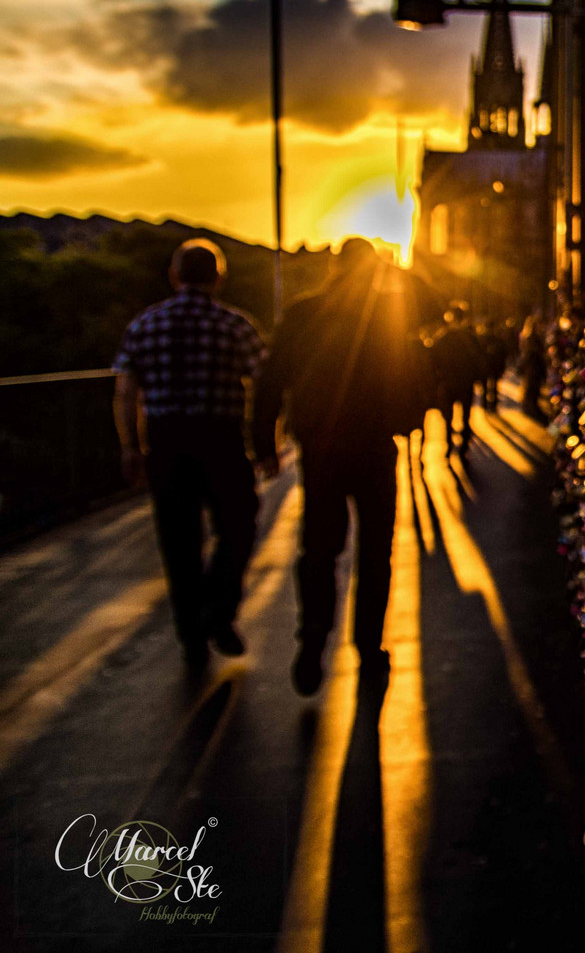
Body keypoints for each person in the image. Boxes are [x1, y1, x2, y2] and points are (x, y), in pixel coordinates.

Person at [251, 239, 434, 694]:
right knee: (376, 550)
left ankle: (313, 639)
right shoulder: (388, 313)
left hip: (321, 447)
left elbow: (272, 379)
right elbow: (428, 324)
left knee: (319, 549)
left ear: (334, 268)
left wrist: (264, 443)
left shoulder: (301, 313)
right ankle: (368, 649)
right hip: (375, 444)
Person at [112, 239, 266, 668]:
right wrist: (265, 441)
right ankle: (219, 609)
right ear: (218, 277)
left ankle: (191, 635)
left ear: (174, 275)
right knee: (238, 526)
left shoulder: (145, 325)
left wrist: (129, 446)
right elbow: (265, 382)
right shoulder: (236, 325)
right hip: (222, 440)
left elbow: (126, 392)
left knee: (178, 541)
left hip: (167, 443)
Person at [428, 301, 485, 455]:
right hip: (466, 381)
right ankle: (464, 445)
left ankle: (448, 445)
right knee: (465, 415)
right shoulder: (470, 338)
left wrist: (437, 378)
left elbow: (433, 361)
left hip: (448, 382)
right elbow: (479, 358)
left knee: (448, 416)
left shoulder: (442, 338)